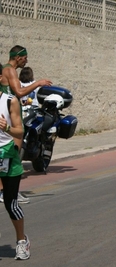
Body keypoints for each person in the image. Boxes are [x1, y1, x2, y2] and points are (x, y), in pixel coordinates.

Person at [0, 45, 51, 204]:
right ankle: (8, 192)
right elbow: (20, 92)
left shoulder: (9, 71)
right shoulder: (10, 70)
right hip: (9, 117)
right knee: (13, 155)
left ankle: (7, 191)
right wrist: (39, 83)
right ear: (18, 57)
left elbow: (17, 93)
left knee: (8, 156)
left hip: (11, 114)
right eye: (25, 57)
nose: (26, 60)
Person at [0, 63, 31, 260]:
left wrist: (7, 128)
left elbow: (20, 130)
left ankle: (22, 241)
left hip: (8, 156)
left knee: (11, 204)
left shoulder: (9, 101)